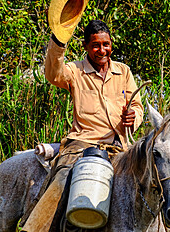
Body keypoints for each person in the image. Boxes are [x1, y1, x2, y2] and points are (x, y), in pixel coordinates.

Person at [21, 20, 144, 231]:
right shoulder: (75, 71)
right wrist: (59, 41)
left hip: (120, 147)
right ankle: (37, 227)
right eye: (96, 45)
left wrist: (133, 117)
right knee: (62, 178)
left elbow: (137, 105)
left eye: (106, 44)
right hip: (81, 145)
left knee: (151, 180)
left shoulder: (123, 72)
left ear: (111, 45)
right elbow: (53, 74)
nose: (102, 50)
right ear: (86, 47)